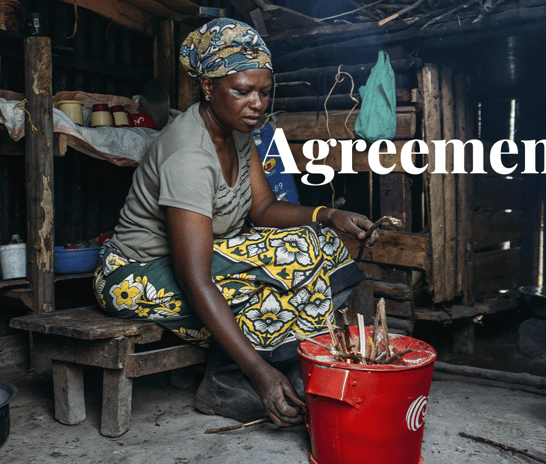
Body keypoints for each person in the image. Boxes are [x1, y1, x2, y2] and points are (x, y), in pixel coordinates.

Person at [93, 18, 378, 427]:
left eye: (264, 92)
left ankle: (276, 374)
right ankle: (240, 378)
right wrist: (259, 374)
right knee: (285, 267)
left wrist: (328, 215)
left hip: (206, 260)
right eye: (242, 91)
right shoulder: (188, 155)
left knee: (321, 242)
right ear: (208, 88)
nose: (257, 104)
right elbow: (194, 276)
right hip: (135, 276)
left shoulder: (238, 134)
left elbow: (262, 210)